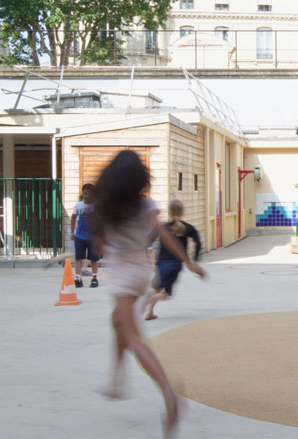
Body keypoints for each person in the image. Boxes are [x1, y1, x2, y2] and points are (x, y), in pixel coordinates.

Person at [91, 150, 205, 437]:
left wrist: (105, 244)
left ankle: (168, 392)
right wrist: (188, 261)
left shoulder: (105, 206)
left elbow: (99, 243)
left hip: (122, 272)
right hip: (141, 269)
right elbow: (164, 234)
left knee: (132, 336)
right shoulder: (145, 204)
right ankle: (117, 381)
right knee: (117, 321)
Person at [142, 199, 202, 321]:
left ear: (169, 212)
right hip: (175, 265)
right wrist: (195, 260)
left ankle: (150, 313)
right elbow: (198, 243)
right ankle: (152, 299)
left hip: (161, 262)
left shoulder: (163, 227)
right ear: (182, 212)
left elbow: (148, 241)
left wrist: (147, 258)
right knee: (166, 293)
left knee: (158, 287)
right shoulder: (188, 228)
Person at [71, 183, 100, 288]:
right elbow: (73, 218)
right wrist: (72, 232)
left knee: (94, 259)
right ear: (82, 194)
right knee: (78, 258)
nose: (87, 196)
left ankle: (94, 278)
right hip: (80, 236)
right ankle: (78, 279)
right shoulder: (78, 205)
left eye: (90, 194)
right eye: (85, 193)